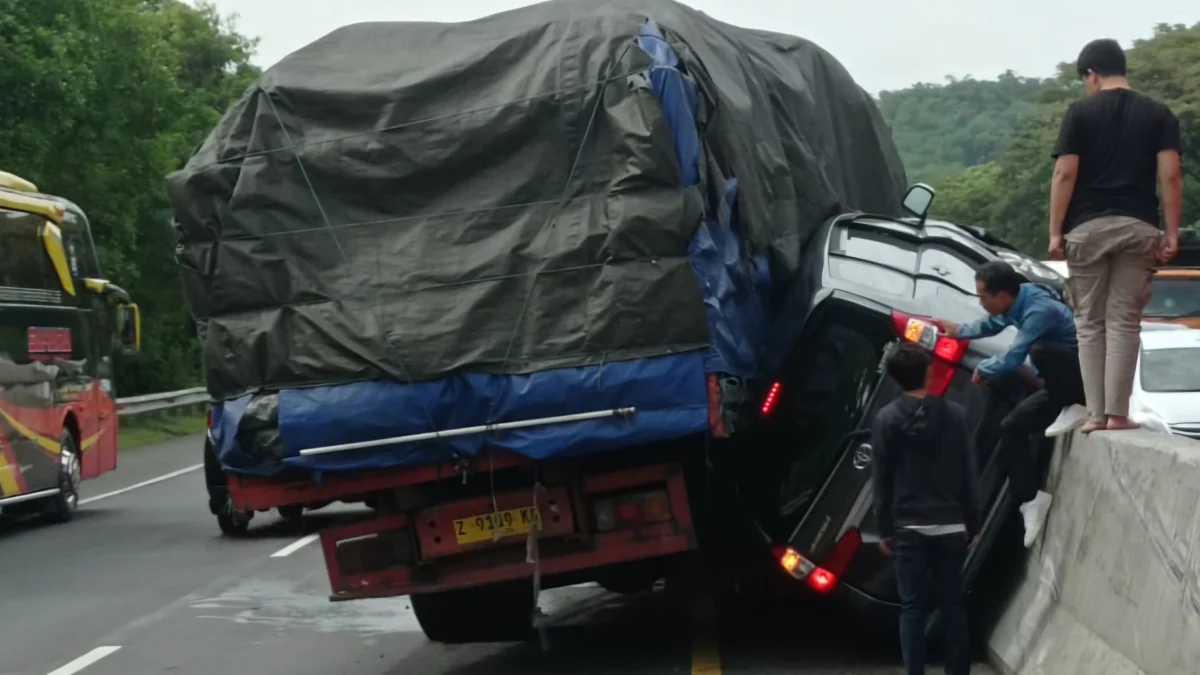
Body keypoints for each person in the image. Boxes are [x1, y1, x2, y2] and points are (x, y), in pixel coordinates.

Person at [1047, 38, 1183, 433]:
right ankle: (1118, 415)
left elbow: (1065, 173)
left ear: (1092, 74)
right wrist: (1171, 233)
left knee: (1090, 322)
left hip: (1087, 229)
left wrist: (1056, 231)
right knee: (1124, 321)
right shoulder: (1159, 114)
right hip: (1138, 226)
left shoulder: (1079, 113)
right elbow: (1170, 176)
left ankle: (1094, 415)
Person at [933, 262, 1084, 548]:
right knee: (1011, 427)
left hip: (1080, 380)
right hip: (1057, 386)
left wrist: (985, 369)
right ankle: (1032, 500)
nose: (981, 302)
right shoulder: (1018, 298)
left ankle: (1077, 405)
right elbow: (993, 323)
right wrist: (960, 330)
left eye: (983, 297)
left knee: (1040, 352)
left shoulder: (1039, 311)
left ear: (1003, 295)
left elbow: (1015, 355)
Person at [873, 343, 980, 675]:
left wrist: (886, 530)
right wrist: (972, 526)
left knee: (912, 608)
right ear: (930, 373)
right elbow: (968, 474)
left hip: (908, 528)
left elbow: (883, 480)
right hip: (951, 526)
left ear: (893, 378)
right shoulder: (957, 416)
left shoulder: (886, 419)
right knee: (953, 606)